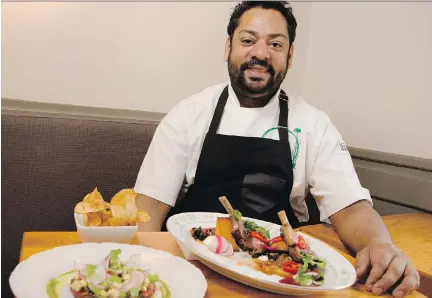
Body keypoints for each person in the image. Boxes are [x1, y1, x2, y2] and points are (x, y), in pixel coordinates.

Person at [133, 1, 420, 297]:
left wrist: (380, 245)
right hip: (192, 268)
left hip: (279, 279)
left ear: (290, 55)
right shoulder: (188, 114)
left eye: (275, 44)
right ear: (228, 46)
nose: (260, 53)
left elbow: (350, 208)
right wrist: (144, 269)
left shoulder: (313, 124)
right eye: (247, 40)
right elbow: (150, 206)